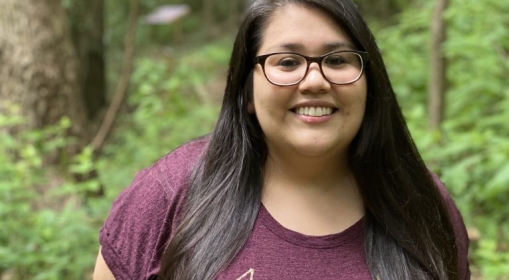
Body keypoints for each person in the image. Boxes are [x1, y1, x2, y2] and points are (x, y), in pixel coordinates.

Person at [93, 0, 470, 279]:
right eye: (287, 63)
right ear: (245, 93)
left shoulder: (421, 204)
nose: (315, 80)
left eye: (338, 60)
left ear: (369, 84)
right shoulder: (168, 194)